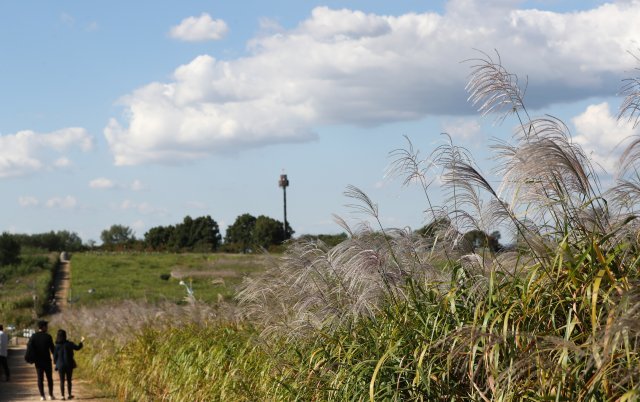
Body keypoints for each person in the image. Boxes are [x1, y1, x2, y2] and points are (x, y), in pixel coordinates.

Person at [27, 320, 56, 400]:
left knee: (40, 379)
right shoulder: (48, 336)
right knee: (49, 378)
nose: (47, 328)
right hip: (47, 360)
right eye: (46, 326)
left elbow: (29, 348)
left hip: (38, 361)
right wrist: (56, 359)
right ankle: (50, 395)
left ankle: (42, 396)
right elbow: (53, 350)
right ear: (43, 327)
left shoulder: (33, 336)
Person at [53, 329, 83, 401]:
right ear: (65, 336)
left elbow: (54, 356)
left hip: (60, 365)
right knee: (69, 380)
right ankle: (69, 395)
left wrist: (56, 363)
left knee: (62, 380)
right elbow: (78, 348)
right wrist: (81, 341)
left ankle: (62, 396)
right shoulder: (69, 344)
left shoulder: (56, 346)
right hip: (69, 364)